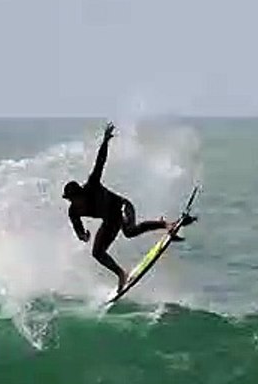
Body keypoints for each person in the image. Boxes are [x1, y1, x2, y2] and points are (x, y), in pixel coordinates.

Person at [63, 122, 196, 292]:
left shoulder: (91, 186)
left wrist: (105, 142)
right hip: (110, 220)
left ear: (80, 193)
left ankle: (165, 225)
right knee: (97, 252)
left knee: (130, 231)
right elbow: (79, 231)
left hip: (123, 207)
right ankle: (121, 274)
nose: (73, 203)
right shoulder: (73, 211)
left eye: (74, 199)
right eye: (70, 200)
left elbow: (100, 163)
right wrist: (84, 236)